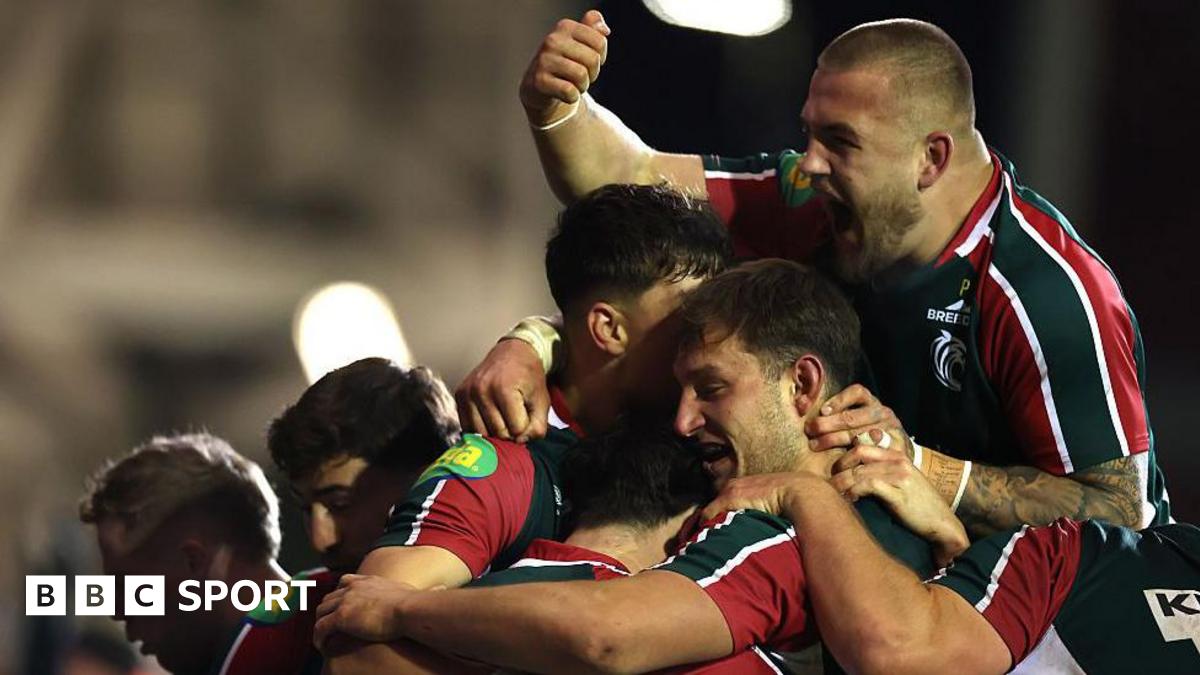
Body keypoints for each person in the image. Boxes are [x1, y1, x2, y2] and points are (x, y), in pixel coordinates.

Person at [460, 11, 1168, 537]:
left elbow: (1122, 510)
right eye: (810, 132)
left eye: (840, 141)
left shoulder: (1045, 292)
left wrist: (920, 466)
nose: (810, 162)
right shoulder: (815, 205)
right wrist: (558, 109)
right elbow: (634, 180)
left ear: (931, 158)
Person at [315, 260, 937, 674]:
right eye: (676, 388)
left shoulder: (776, 528)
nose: (683, 419)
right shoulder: (901, 502)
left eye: (711, 388)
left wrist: (402, 610)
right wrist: (532, 338)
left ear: (803, 384)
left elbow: (607, 634)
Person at [322, 183, 732, 670]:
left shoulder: (710, 428)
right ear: (609, 329)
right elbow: (359, 651)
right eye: (688, 314)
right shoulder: (501, 471)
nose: (712, 330)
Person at [698, 454, 1200, 674]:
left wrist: (806, 495)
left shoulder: (1084, 557)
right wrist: (957, 550)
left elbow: (898, 653)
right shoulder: (1090, 557)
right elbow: (907, 651)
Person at [78, 433, 336, 675]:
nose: (117, 611)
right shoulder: (326, 618)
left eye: (128, 586)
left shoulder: (334, 646)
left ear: (193, 562)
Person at [267, 357, 460, 575]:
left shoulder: (492, 583)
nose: (321, 540)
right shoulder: (305, 593)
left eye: (340, 504)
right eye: (306, 509)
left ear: (422, 480)